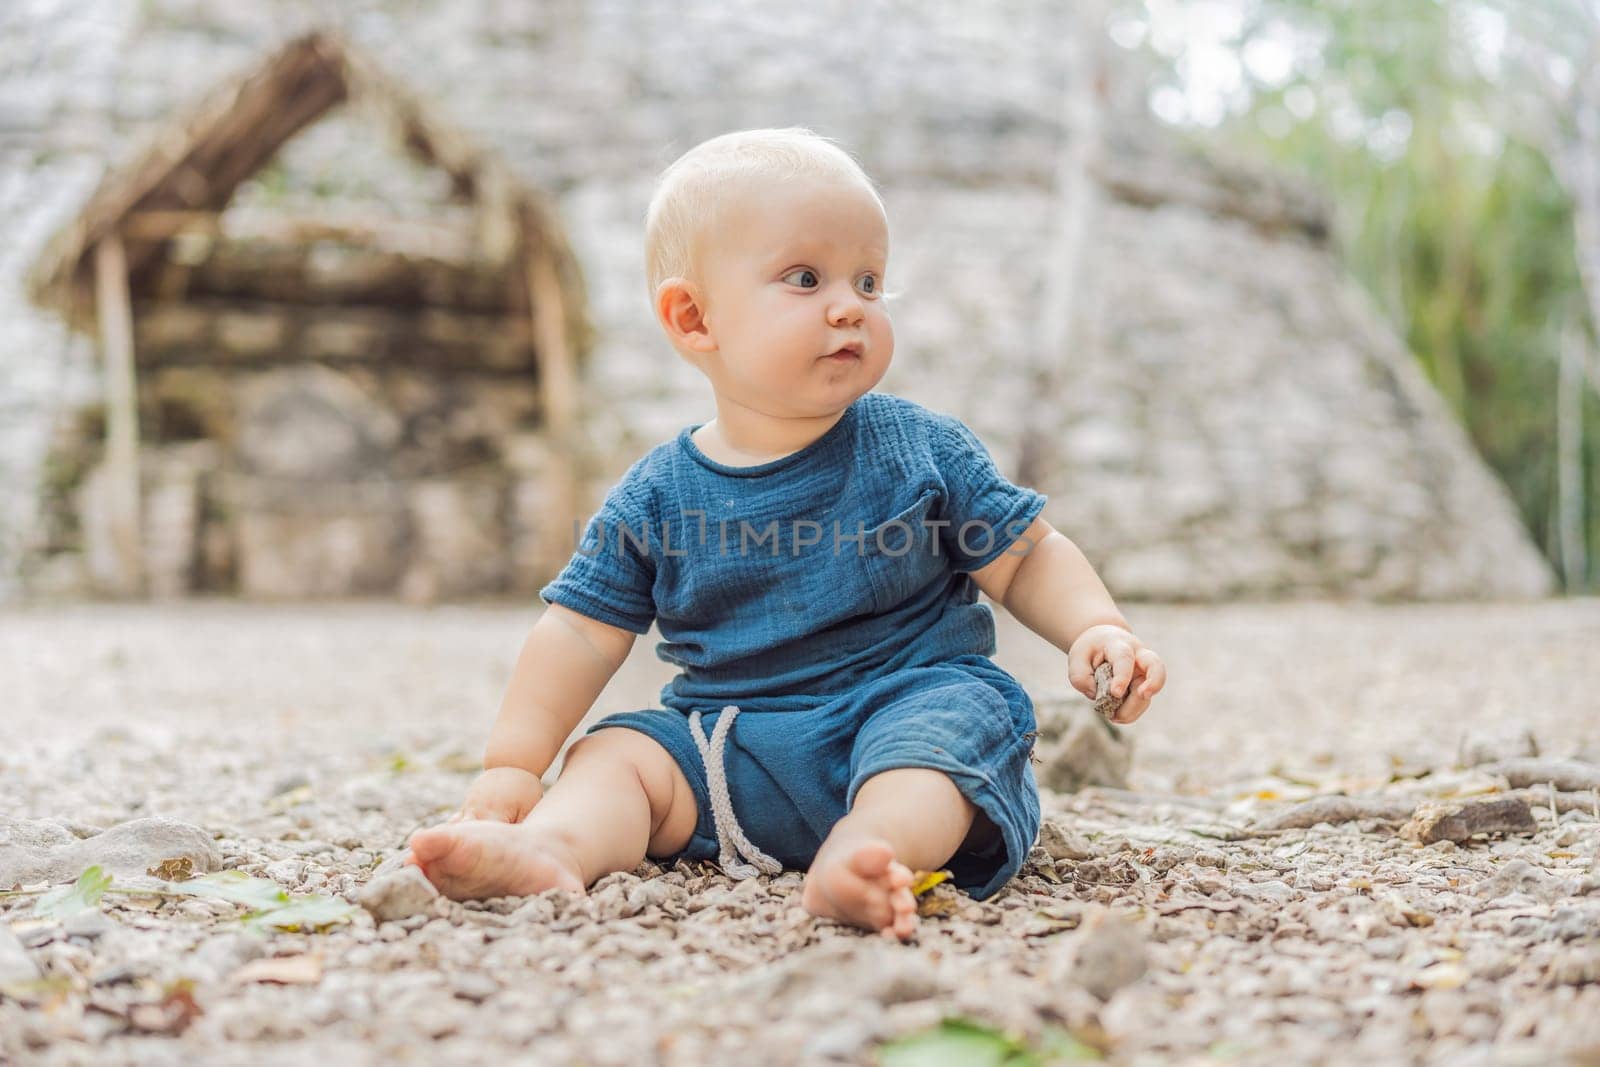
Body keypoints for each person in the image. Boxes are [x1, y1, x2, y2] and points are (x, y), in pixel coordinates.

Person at [407, 127, 1166, 940]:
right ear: (695, 318)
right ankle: (555, 845)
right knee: (620, 754)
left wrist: (1096, 625)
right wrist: (514, 763)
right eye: (806, 278)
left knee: (955, 730)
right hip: (731, 748)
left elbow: (1026, 559)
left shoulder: (918, 447)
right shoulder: (656, 496)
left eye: (870, 281)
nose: (850, 305)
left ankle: (870, 851)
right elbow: (579, 636)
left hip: (905, 702)